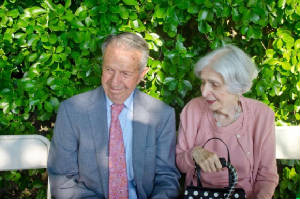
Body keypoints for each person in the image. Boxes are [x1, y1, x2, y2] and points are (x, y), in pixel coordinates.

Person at [48, 32, 180, 199]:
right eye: (109, 69)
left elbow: (167, 179)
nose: (114, 82)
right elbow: (63, 182)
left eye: (125, 74)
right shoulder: (72, 111)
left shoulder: (161, 115)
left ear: (141, 75)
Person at [176, 45, 278, 199]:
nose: (204, 92)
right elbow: (181, 164)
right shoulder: (192, 110)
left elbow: (266, 178)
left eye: (214, 84)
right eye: (203, 82)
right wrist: (194, 153)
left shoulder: (261, 116)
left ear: (238, 87)